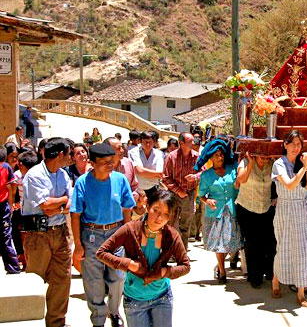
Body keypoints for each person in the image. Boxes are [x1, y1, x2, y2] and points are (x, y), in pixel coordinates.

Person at [96, 189, 190, 327]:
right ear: (147, 206)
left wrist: (164, 272)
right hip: (134, 300)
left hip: (162, 297)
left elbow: (185, 266)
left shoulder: (172, 236)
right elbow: (102, 252)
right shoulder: (130, 230)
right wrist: (129, 264)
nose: (159, 217)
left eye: (165, 214)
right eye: (156, 210)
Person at [71, 144, 136, 327]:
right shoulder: (83, 182)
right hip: (91, 235)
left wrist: (128, 235)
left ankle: (114, 312)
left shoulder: (120, 180)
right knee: (94, 281)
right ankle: (98, 319)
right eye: (104, 162)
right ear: (92, 163)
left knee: (117, 278)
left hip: (115, 234)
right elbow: (75, 214)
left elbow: (127, 208)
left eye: (112, 161)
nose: (110, 165)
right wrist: (78, 244)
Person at [22, 137, 73, 326]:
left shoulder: (63, 175)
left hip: (60, 231)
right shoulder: (35, 175)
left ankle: (56, 322)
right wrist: (61, 201)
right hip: (38, 232)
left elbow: (69, 201)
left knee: (62, 279)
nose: (70, 158)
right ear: (60, 154)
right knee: (35, 278)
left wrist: (57, 204)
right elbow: (45, 205)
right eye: (68, 154)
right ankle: (30, 319)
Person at [271, 130, 307, 308]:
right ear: (285, 144)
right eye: (292, 144)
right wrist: (305, 168)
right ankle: (276, 281)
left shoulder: (304, 163)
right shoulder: (279, 164)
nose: (295, 148)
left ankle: (301, 292)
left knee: (304, 250)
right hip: (285, 208)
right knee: (283, 247)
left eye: (299, 145)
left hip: (303, 209)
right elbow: (290, 185)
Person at [196, 138, 242, 284]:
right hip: (216, 213)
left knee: (232, 243)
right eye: (216, 155)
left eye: (221, 154)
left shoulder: (232, 169)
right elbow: (201, 195)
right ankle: (222, 271)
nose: (220, 157)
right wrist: (207, 201)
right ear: (211, 157)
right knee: (220, 244)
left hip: (232, 210)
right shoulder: (206, 175)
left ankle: (219, 265)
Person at [235, 151, 275, 288]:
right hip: (247, 208)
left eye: (267, 157)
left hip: (266, 207)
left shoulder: (273, 164)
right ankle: (255, 277)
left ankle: (268, 272)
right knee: (252, 244)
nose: (265, 160)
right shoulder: (245, 163)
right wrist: (251, 164)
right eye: (262, 157)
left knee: (268, 242)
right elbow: (241, 179)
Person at [163, 132, 199, 249]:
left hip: (189, 195)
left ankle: (182, 251)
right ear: (181, 143)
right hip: (173, 195)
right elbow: (165, 178)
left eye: (193, 141)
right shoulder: (171, 157)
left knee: (185, 225)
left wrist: (195, 177)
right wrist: (178, 190)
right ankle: (171, 251)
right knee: (172, 224)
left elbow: (204, 172)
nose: (193, 143)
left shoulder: (197, 157)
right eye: (190, 141)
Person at [12, 150, 38, 271]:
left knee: (26, 238)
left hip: (24, 211)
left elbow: (12, 190)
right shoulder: (38, 175)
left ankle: (28, 262)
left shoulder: (17, 175)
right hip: (34, 211)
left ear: (21, 164)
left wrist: (14, 203)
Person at [0, 146, 20, 275]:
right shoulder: (6, 167)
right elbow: (13, 184)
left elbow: (12, 184)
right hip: (3, 207)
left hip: (3, 206)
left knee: (6, 237)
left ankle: (13, 267)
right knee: (5, 237)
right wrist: (11, 203)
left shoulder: (6, 167)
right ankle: (13, 268)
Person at [129, 131, 164, 197]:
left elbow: (160, 173)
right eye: (145, 142)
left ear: (154, 142)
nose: (147, 144)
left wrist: (143, 172)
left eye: (150, 142)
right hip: (137, 190)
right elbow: (139, 171)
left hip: (153, 189)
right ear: (140, 141)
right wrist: (154, 174)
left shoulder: (159, 154)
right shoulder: (133, 152)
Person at [104, 137, 139, 202]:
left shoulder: (128, 163)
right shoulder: (99, 168)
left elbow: (134, 186)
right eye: (118, 148)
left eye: (122, 147)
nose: (122, 150)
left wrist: (132, 197)